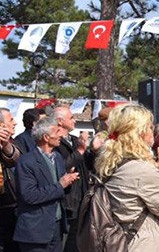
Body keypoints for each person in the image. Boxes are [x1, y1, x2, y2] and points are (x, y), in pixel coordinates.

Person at [95, 104, 159, 252]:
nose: (152, 132)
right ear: (140, 132)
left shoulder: (111, 162)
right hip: (141, 244)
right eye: (149, 127)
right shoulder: (141, 170)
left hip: (120, 240)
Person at [13, 117, 80, 252]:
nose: (60, 135)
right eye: (56, 132)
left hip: (56, 227)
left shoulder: (58, 158)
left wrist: (68, 182)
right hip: (36, 230)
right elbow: (29, 196)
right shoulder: (27, 161)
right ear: (46, 137)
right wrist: (61, 185)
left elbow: (60, 190)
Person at [53, 106, 98, 252]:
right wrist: (79, 151)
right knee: (65, 244)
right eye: (71, 117)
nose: (74, 120)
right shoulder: (54, 142)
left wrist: (93, 151)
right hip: (68, 202)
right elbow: (61, 167)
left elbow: (88, 165)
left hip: (81, 200)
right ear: (60, 121)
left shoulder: (74, 140)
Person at [0, 107, 21, 252]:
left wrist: (5, 144)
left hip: (10, 205)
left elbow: (15, 159)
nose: (15, 123)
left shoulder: (12, 142)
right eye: (11, 120)